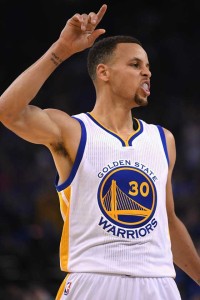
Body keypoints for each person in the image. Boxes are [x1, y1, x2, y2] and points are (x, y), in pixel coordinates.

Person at [0, 3, 199, 300]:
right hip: (94, 281)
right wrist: (61, 50)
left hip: (159, 282)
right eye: (135, 65)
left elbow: (168, 222)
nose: (147, 73)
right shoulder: (73, 131)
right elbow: (8, 111)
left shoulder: (163, 139)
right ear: (103, 72)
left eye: (147, 66)